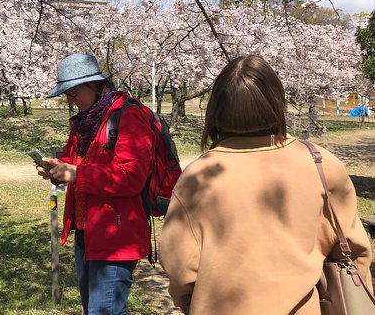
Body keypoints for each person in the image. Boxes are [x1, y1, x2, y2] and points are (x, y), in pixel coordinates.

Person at [159, 54, 373, 315]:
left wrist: (191, 303)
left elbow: (179, 267)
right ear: (276, 102)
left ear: (216, 108)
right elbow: (355, 251)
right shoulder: (322, 165)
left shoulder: (198, 177)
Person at [37, 53, 156, 314]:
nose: (70, 99)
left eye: (74, 91)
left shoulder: (128, 116)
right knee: (96, 308)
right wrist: (56, 168)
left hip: (117, 234)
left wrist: (78, 173)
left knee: (104, 310)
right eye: (66, 93)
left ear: (94, 85)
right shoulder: (84, 122)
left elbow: (131, 177)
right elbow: (75, 160)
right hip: (86, 232)